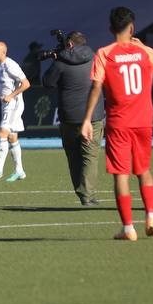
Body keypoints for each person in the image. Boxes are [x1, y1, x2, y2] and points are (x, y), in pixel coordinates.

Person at [83, 7, 153, 241]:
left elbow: (96, 86)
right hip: (144, 121)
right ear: (132, 27)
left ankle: (128, 229)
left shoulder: (104, 53)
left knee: (121, 175)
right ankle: (152, 217)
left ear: (110, 28)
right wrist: (144, 47)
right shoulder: (142, 52)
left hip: (119, 123)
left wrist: (86, 119)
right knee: (144, 170)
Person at [41, 32, 103, 206]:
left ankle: (83, 192)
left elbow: (47, 82)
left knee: (73, 155)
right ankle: (88, 193)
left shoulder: (60, 62)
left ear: (69, 44)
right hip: (93, 116)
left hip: (69, 116)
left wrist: (55, 60)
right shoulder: (96, 59)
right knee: (90, 155)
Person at [0, 41, 30, 182]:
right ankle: (19, 171)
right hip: (5, 105)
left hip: (14, 104)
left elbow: (26, 84)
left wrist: (11, 96)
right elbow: (0, 82)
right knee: (12, 137)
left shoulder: (11, 65)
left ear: (3, 53)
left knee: (2, 132)